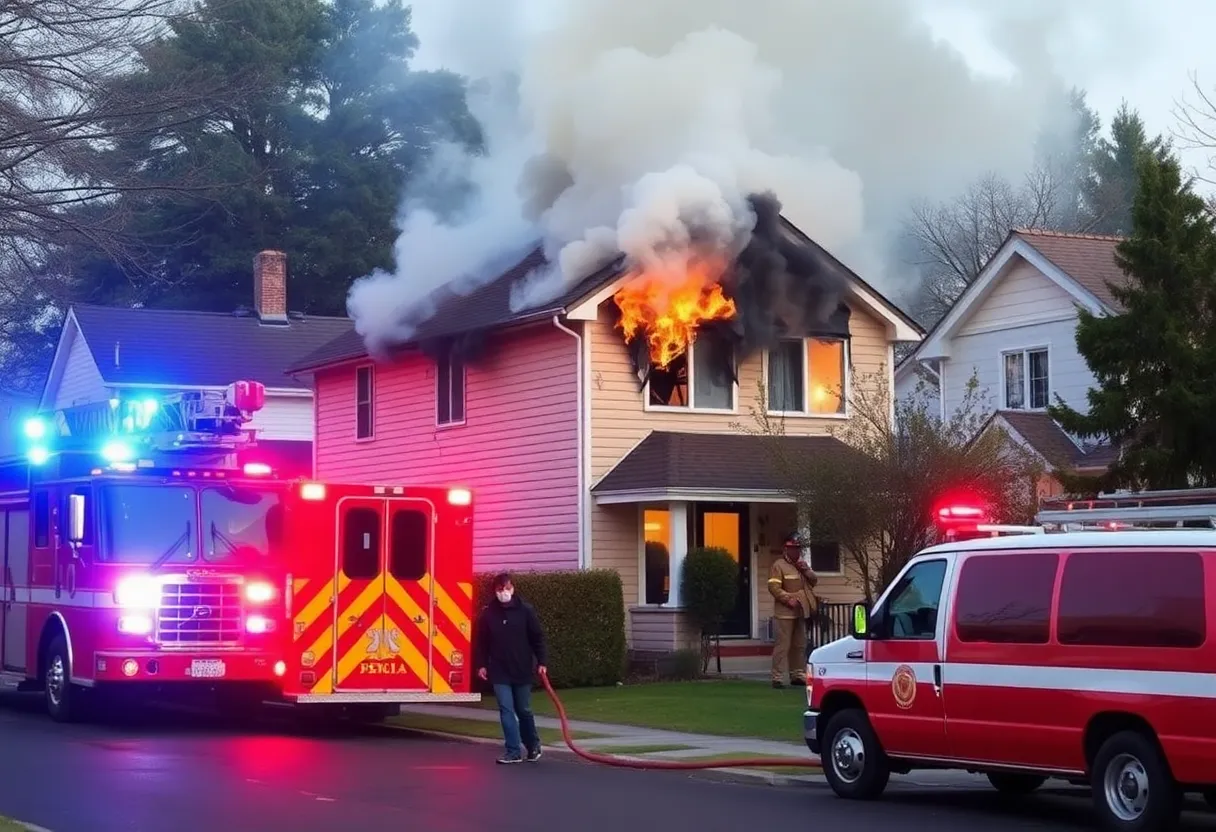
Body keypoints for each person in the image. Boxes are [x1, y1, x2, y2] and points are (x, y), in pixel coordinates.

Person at [473, 572, 548, 764]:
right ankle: (513, 751)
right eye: (500, 589)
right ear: (495, 591)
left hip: (522, 668)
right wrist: (481, 664)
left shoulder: (526, 611)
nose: (504, 592)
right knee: (506, 709)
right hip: (499, 669)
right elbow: (482, 642)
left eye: (507, 588)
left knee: (523, 709)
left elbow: (537, 638)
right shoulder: (489, 613)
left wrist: (542, 662)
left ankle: (532, 745)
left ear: (513, 588)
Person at [767, 532, 819, 689]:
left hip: (801, 611)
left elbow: (813, 582)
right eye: (792, 548)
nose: (796, 551)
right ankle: (777, 676)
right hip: (784, 613)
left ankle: (797, 675)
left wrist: (807, 571)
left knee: (799, 644)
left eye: (797, 548)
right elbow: (773, 587)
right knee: (783, 645)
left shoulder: (802, 565)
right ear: (785, 549)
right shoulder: (779, 565)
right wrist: (787, 599)